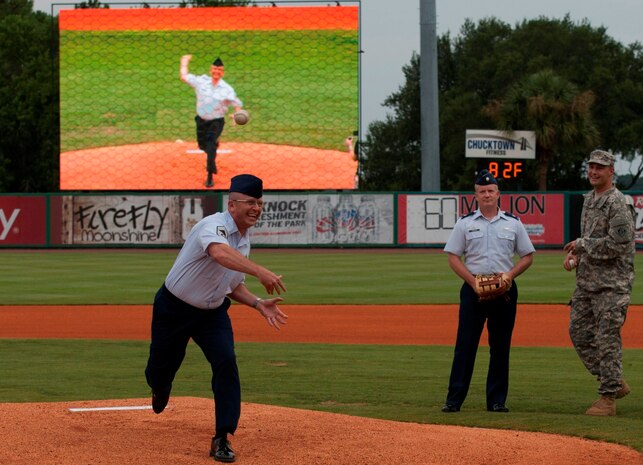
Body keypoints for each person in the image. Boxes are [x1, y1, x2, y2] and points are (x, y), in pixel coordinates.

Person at [145, 174, 288, 463]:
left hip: (212, 313)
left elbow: (232, 285)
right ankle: (161, 386)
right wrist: (259, 271)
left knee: (225, 361)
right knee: (160, 370)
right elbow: (220, 254)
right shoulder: (213, 225)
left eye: (259, 203)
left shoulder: (244, 240)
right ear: (232, 204)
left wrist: (258, 303)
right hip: (174, 308)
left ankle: (222, 436)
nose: (256, 208)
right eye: (250, 202)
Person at [441, 169, 535, 413]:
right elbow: (453, 257)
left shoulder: (513, 223)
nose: (487, 195)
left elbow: (527, 256)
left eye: (490, 190)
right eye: (482, 191)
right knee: (465, 345)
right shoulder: (465, 223)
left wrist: (509, 276)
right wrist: (472, 283)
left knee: (500, 346)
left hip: (504, 291)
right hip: (473, 290)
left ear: (498, 194)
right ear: (475, 195)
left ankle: (496, 401)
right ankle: (454, 400)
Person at [562, 149, 635, 416]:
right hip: (586, 283)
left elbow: (619, 245)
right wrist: (576, 255)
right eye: (591, 166)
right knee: (579, 333)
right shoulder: (590, 200)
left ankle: (608, 398)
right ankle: (613, 380)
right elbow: (591, 241)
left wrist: (583, 245)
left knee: (607, 339)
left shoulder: (618, 203)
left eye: (600, 168)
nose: (594, 171)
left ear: (611, 171)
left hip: (612, 286)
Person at [180, 55, 243, 188]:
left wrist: (237, 114)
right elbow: (184, 77)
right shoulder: (201, 81)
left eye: (219, 70)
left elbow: (236, 103)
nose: (217, 72)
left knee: (210, 145)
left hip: (216, 122)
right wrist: (184, 62)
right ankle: (213, 145)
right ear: (211, 70)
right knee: (203, 146)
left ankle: (210, 175)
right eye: (215, 69)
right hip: (201, 121)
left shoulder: (227, 89)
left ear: (222, 72)